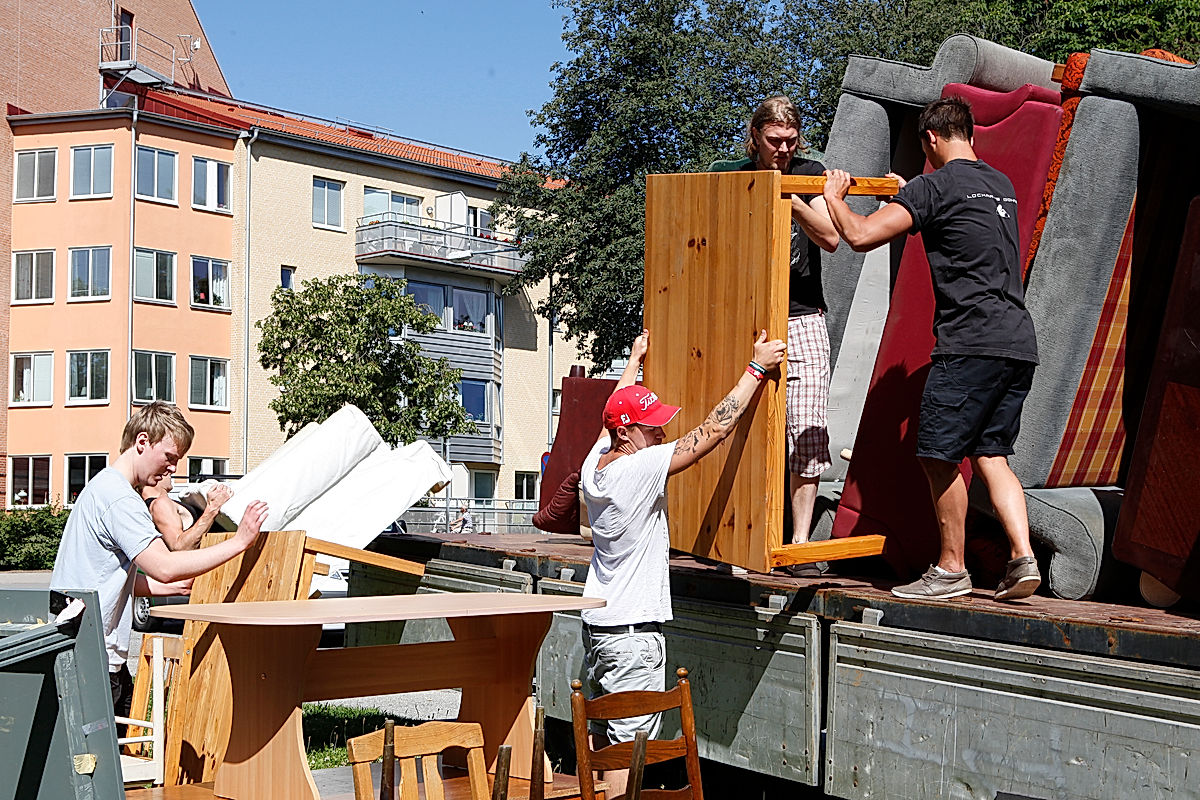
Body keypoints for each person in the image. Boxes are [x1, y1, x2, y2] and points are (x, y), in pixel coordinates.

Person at [820, 95, 1041, 602]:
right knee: (992, 456)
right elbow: (956, 220)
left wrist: (835, 196)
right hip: (1016, 341)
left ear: (930, 140)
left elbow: (858, 235)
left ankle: (950, 569)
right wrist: (911, 196)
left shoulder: (933, 186)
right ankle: (1022, 558)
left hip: (970, 342)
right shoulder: (999, 184)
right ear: (970, 136)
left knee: (939, 457)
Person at [579, 326, 786, 795]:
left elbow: (605, 414)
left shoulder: (598, 465)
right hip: (632, 637)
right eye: (652, 425)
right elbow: (710, 431)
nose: (662, 430)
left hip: (599, 627)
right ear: (627, 431)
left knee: (600, 743)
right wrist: (755, 369)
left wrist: (634, 359)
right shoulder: (639, 466)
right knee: (628, 755)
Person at [50, 402, 269, 725]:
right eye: (169, 458)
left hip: (88, 651)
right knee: (99, 767)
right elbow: (165, 564)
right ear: (142, 442)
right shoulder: (121, 499)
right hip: (92, 659)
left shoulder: (101, 487)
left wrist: (164, 586)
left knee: (113, 757)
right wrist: (240, 542)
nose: (171, 470)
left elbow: (103, 576)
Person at [710, 96, 840, 559]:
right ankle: (734, 536)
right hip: (745, 318)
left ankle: (801, 542)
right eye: (774, 141)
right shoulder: (729, 173)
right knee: (735, 420)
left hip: (802, 316)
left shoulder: (809, 171)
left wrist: (787, 194)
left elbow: (829, 236)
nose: (783, 149)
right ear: (756, 138)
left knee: (807, 427)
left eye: (790, 141)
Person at [141, 475, 233, 550]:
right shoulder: (160, 503)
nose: (171, 471)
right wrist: (213, 507)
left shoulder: (153, 505)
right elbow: (180, 548)